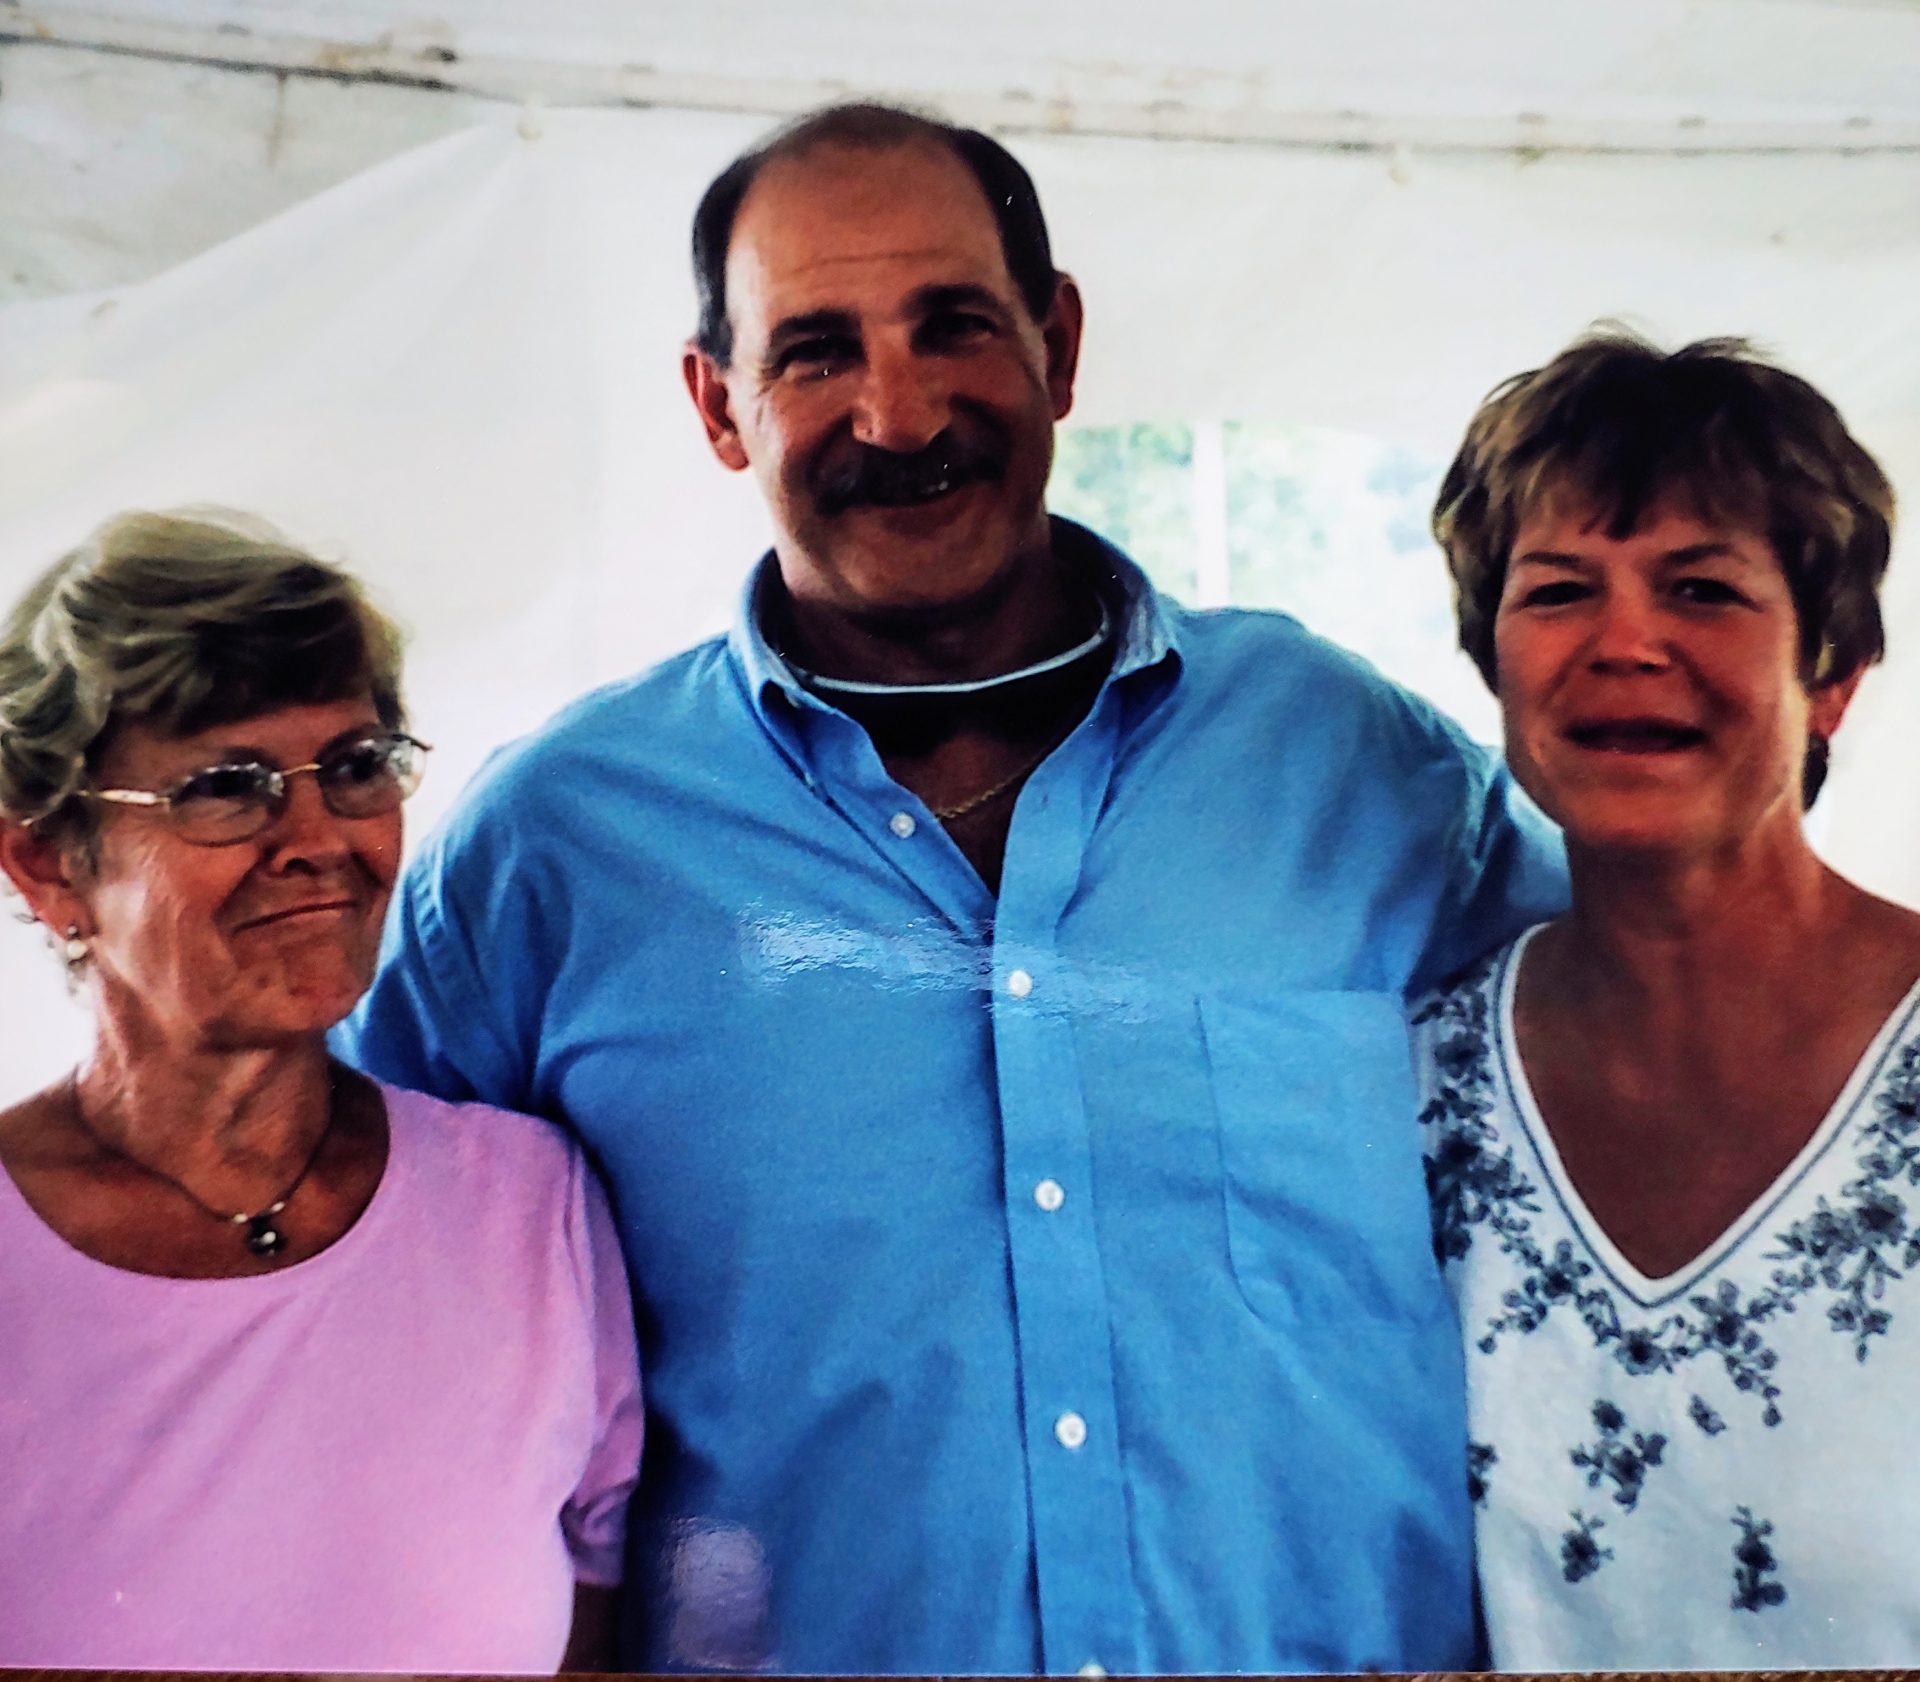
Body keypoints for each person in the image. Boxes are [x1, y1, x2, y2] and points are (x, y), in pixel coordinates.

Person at [340, 102, 1565, 1674]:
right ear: (719, 405)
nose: (898, 411)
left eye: (954, 326)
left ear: (1057, 344)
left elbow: (1619, 1091)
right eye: (815, 351)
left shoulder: (1346, 758)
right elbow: (359, 1284)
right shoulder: (555, 842)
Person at [0, 510, 642, 1673]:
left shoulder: (528, 1205)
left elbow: (594, 1630)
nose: (317, 838)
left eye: (353, 768)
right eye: (227, 786)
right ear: (48, 861)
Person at [1416, 331, 1920, 1667]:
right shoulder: (1410, 1094)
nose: (1625, 641)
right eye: (1559, 589)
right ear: (1493, 666)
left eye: (1701, 588)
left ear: (1834, 675)